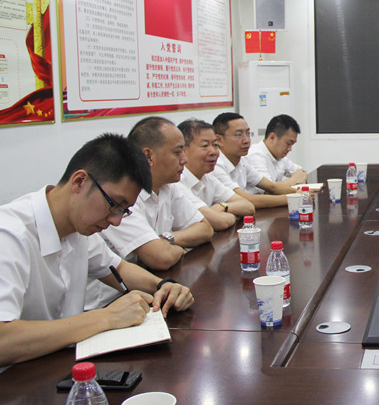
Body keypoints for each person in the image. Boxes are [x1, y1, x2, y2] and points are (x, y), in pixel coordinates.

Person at [0, 134, 194, 368]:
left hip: (60, 365)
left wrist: (164, 287)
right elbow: (3, 341)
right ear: (79, 182)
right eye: (114, 205)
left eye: (124, 210)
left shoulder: (79, 228)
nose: (116, 221)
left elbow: (119, 269)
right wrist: (107, 317)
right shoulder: (9, 235)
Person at [85, 118, 214, 310]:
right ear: (148, 156)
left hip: (140, 293)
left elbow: (205, 229)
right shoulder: (122, 196)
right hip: (108, 303)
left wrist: (167, 239)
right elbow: (160, 257)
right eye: (178, 152)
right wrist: (174, 249)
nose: (184, 160)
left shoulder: (169, 187)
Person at [178, 119, 255, 230]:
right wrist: (233, 215)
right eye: (205, 146)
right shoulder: (178, 182)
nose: (214, 152)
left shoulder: (207, 177)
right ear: (183, 150)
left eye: (215, 145)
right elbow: (221, 222)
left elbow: (248, 206)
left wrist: (222, 207)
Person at [212, 112, 294, 208]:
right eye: (238, 135)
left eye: (248, 134)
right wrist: (294, 198)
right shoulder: (216, 165)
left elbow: (272, 186)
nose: (246, 140)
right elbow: (246, 200)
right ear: (219, 140)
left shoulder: (241, 161)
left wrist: (300, 192)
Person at [245, 114, 307, 187]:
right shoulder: (256, 156)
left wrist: (294, 180)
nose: (290, 149)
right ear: (272, 138)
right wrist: (295, 179)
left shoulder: (279, 156)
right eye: (288, 143)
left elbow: (302, 172)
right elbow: (269, 189)